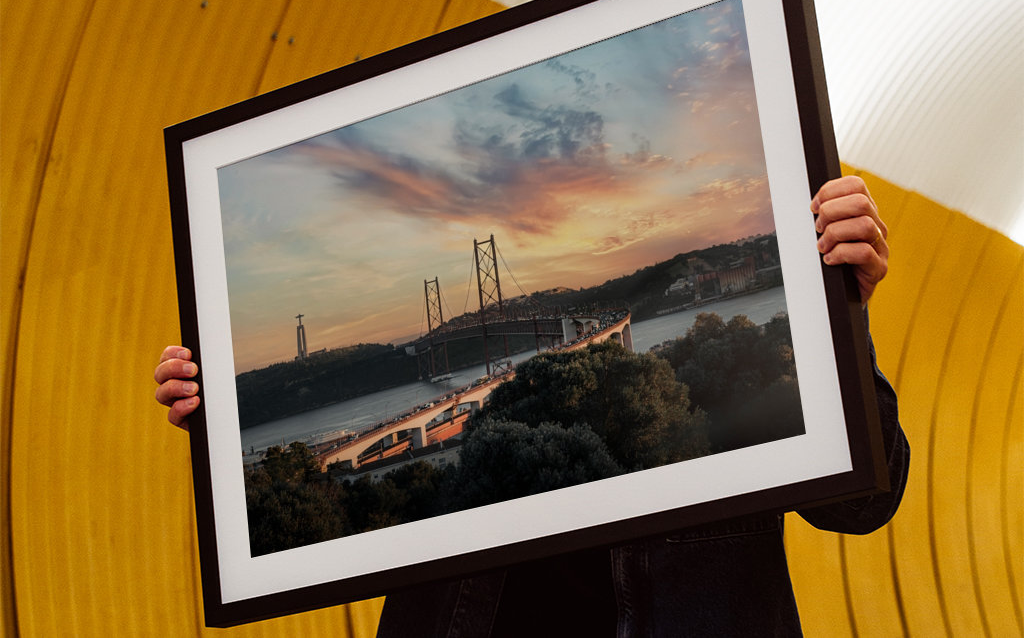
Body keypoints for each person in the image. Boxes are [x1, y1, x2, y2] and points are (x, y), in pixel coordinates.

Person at [155, 175, 909, 637]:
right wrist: (226, 433)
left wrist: (839, 312)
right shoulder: (510, 425)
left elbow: (864, 503)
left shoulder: (716, 381)